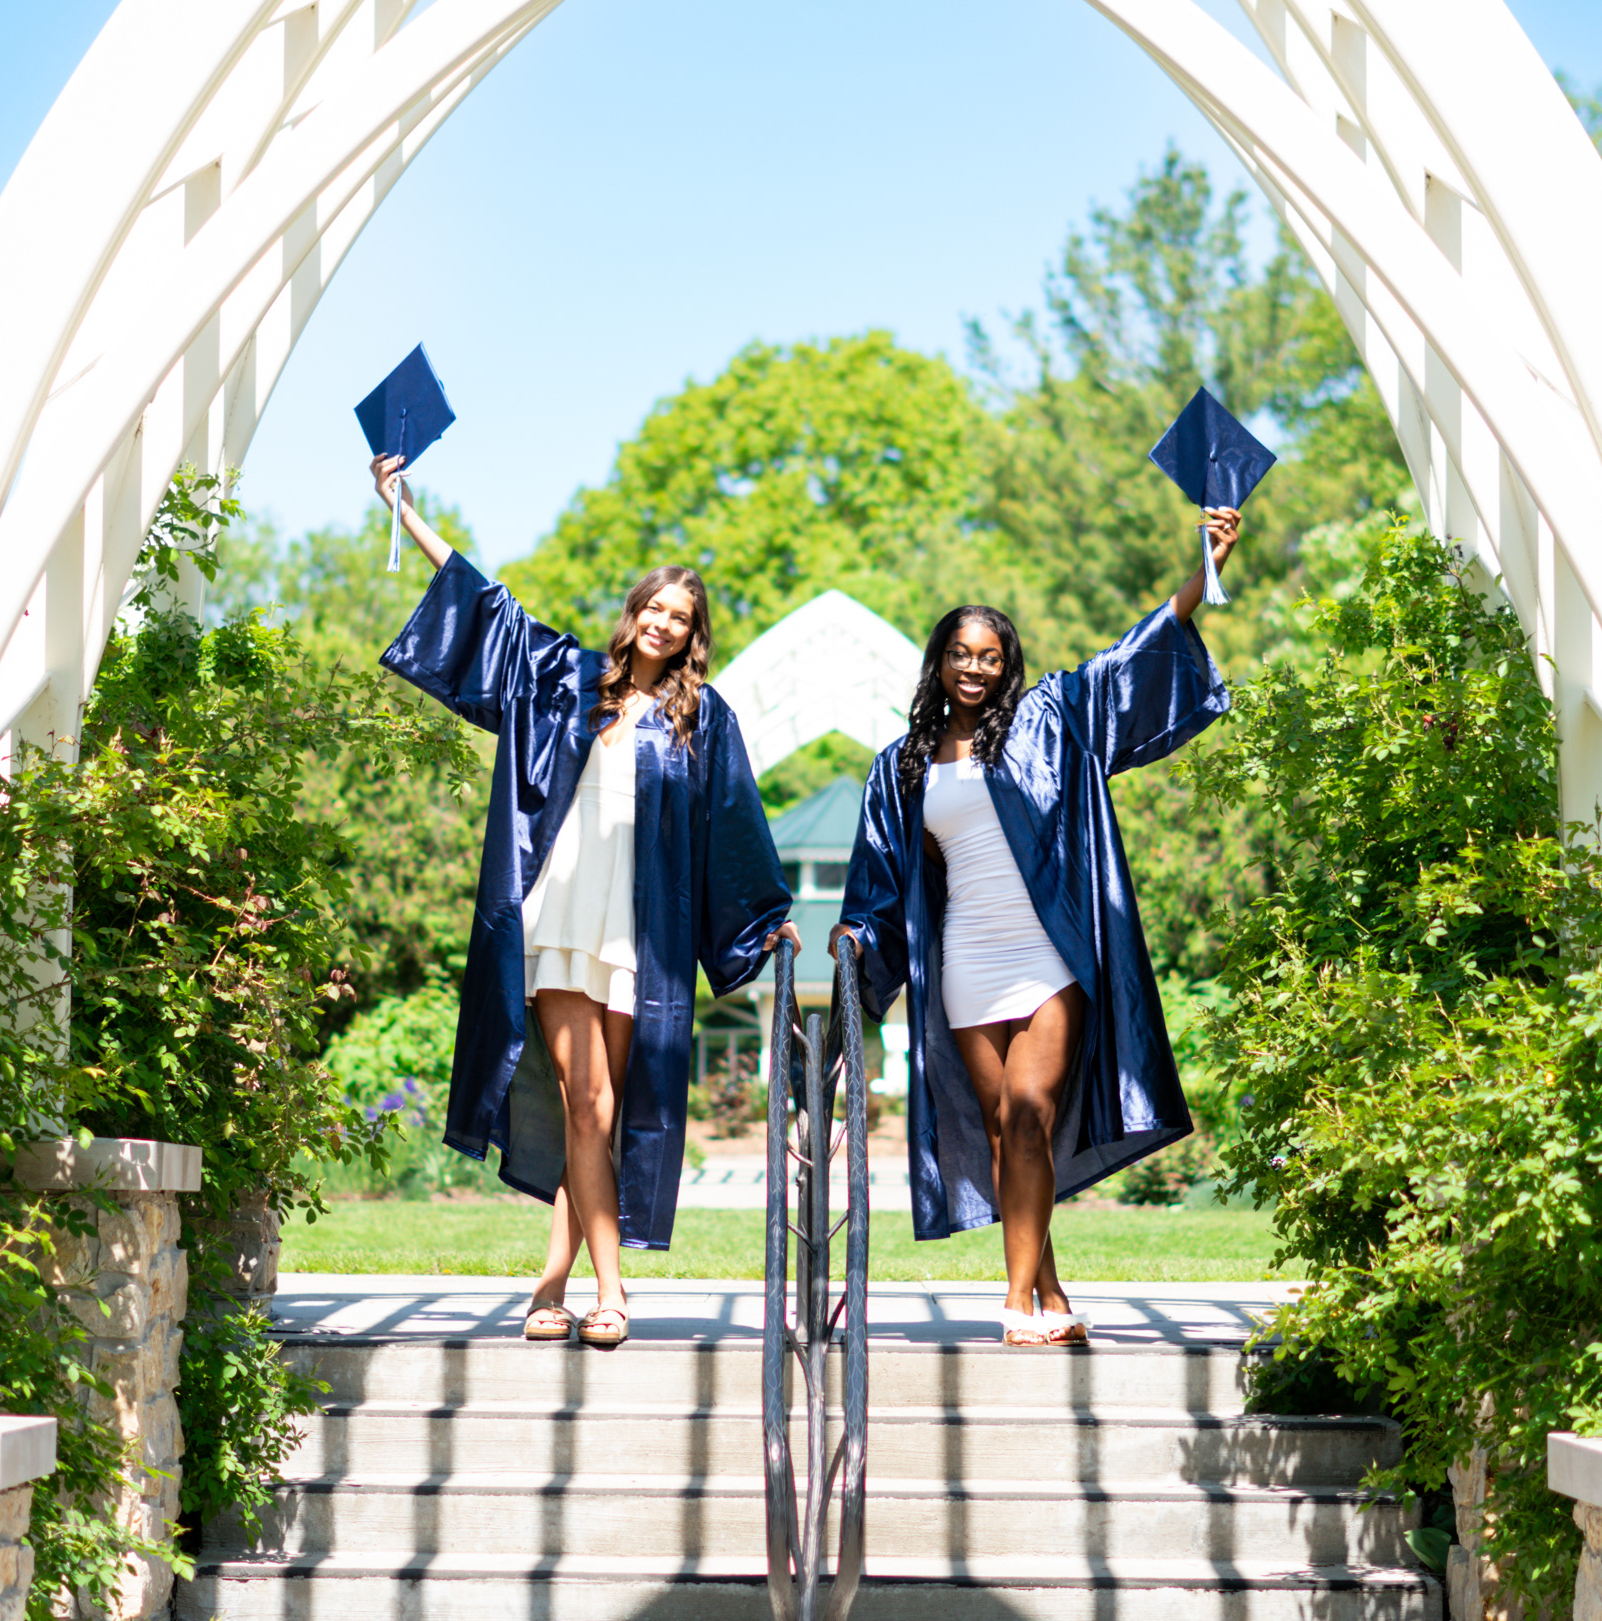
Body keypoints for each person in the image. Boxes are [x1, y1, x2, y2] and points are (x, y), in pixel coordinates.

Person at [370, 455, 800, 1346]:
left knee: (592, 1113)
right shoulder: (569, 680)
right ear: (634, 613)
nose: (663, 624)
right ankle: (613, 1294)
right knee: (589, 1101)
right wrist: (405, 509)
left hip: (639, 928)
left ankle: (552, 1282)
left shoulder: (701, 718)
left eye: (681, 619)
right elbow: (488, 610)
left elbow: (735, 822)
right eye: (655, 608)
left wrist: (763, 919)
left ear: (692, 636)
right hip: (561, 913)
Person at [831, 510, 1243, 1347]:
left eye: (989, 656)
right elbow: (878, 878)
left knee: (1028, 1114)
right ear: (938, 665)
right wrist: (852, 940)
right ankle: (1050, 1295)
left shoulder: (1048, 720)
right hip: (966, 963)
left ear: (1006, 664)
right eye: (960, 655)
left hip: (1048, 956)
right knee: (1001, 1133)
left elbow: (1135, 654)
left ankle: (1015, 1307)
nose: (974, 668)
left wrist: (1204, 566)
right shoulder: (902, 764)